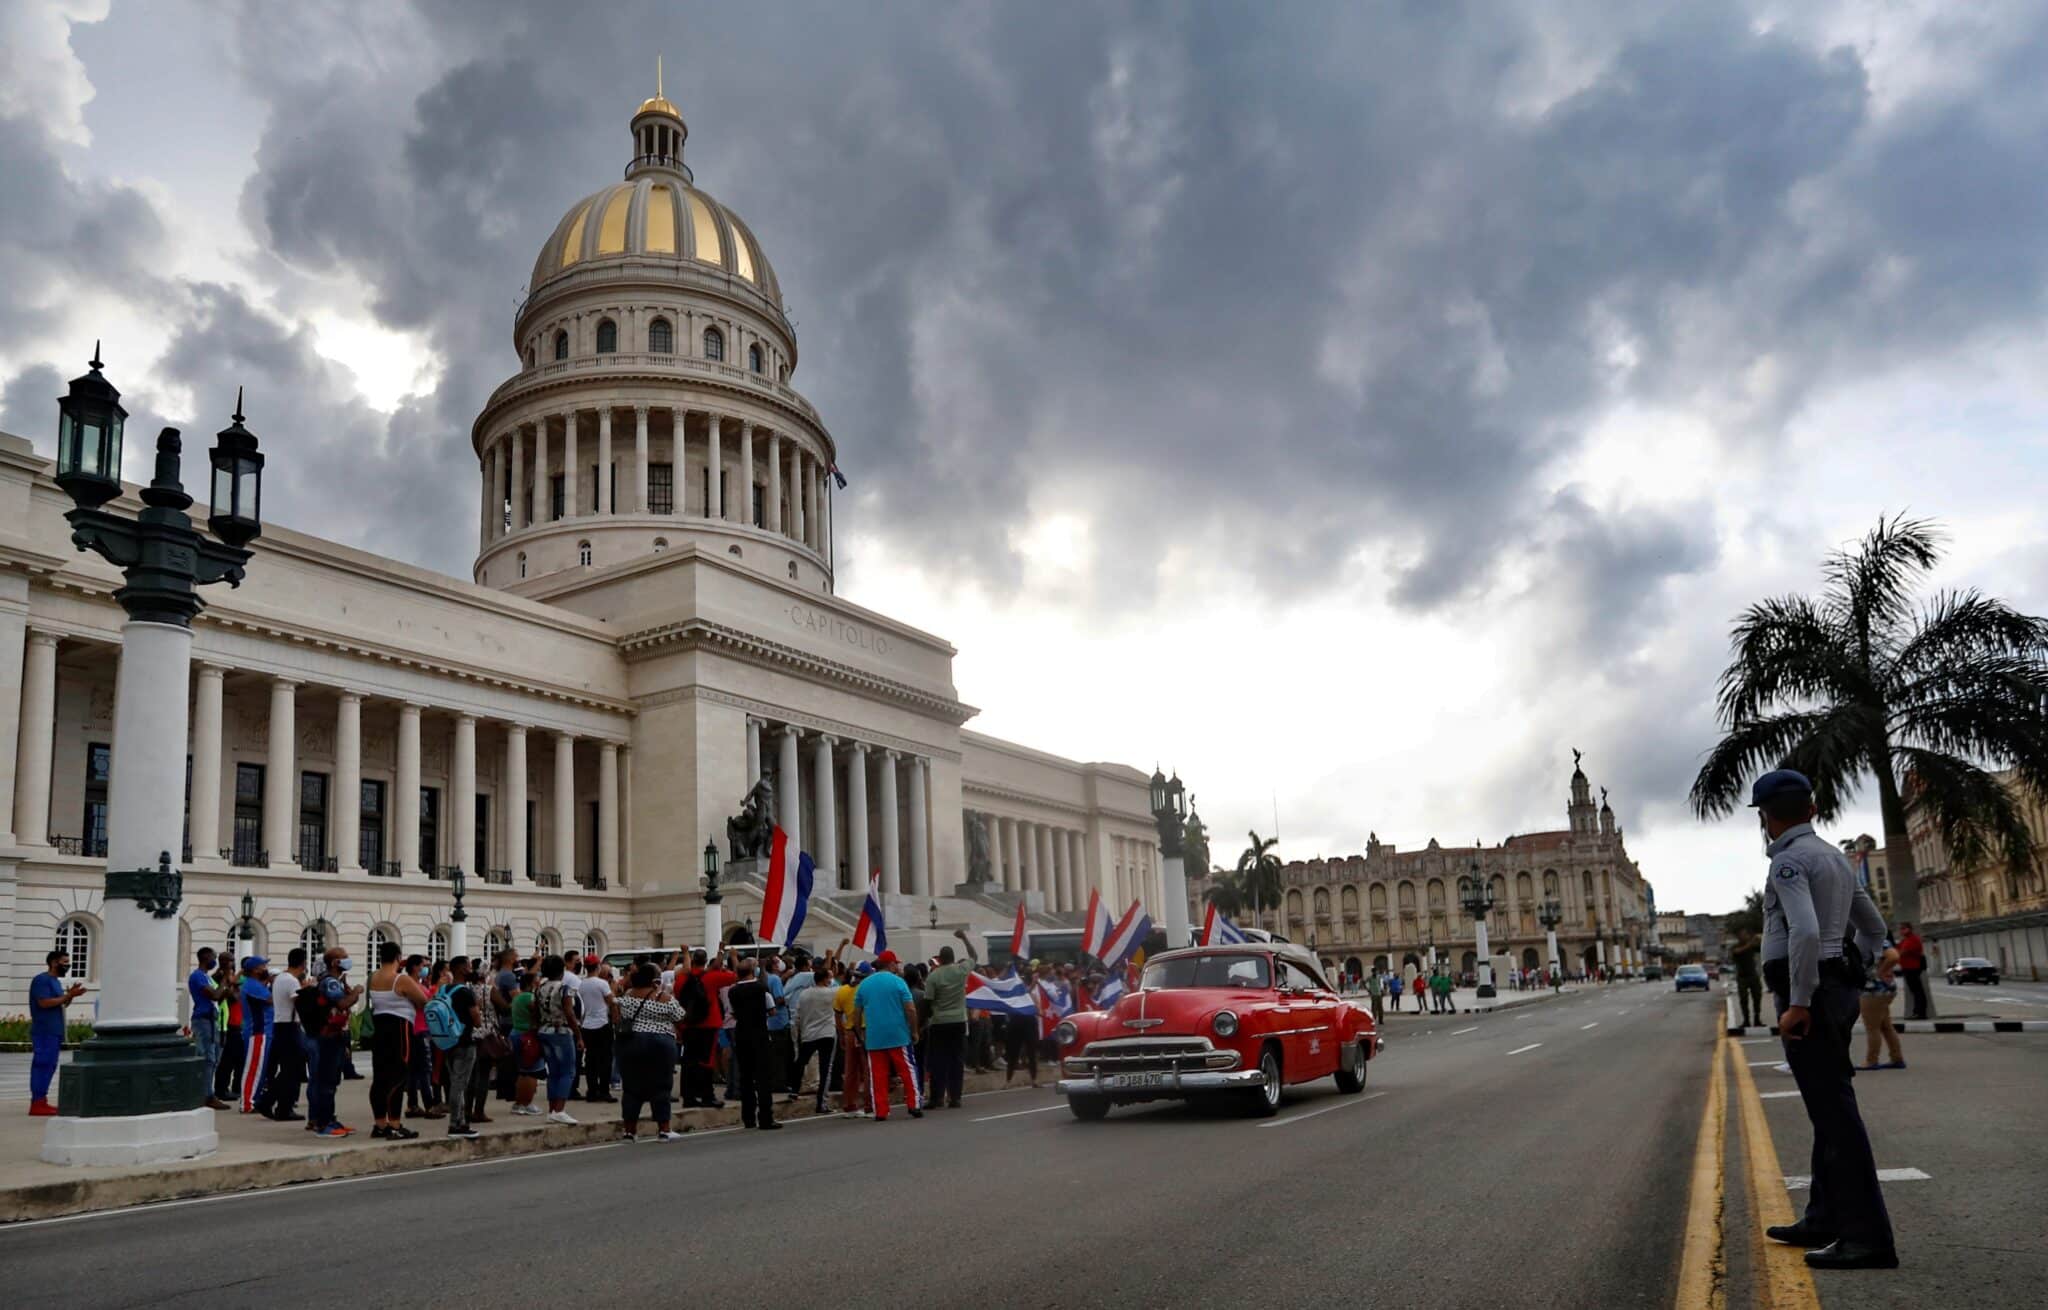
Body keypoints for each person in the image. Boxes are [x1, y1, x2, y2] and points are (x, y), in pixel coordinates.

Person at [1750, 768, 1896, 1270]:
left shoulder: (1789, 862)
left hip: (1809, 998)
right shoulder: (1833, 856)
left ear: (1766, 819)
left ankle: (1868, 1238)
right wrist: (1849, 970)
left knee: (1836, 1116)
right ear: (1811, 809)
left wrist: (1800, 999)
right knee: (1826, 1110)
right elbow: (1874, 929)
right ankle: (1823, 1217)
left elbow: (1805, 933)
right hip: (1837, 990)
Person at [612, 962, 684, 1141]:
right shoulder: (664, 998)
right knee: (661, 1086)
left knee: (631, 1087)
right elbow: (680, 1016)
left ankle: (629, 1131)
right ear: (654, 981)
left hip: (630, 1043)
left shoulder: (627, 997)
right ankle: (664, 1129)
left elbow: (617, 1011)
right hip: (660, 1044)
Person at [365, 944, 425, 1138]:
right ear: (398, 957)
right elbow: (423, 1000)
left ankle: (380, 1124)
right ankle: (395, 1125)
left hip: (379, 1027)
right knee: (399, 1075)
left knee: (380, 1076)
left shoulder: (372, 977)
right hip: (400, 1027)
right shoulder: (401, 979)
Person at [854, 951, 922, 1121]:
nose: (898, 967)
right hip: (898, 1034)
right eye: (896, 964)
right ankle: (914, 1105)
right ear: (891, 964)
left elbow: (856, 1013)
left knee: (878, 1075)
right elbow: (910, 1009)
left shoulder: (864, 984)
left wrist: (859, 1033)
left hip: (875, 1037)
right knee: (907, 1071)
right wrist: (914, 1031)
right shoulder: (899, 982)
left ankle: (881, 1110)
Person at [301, 947, 360, 1137]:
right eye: (344, 958)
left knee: (332, 1080)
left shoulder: (335, 981)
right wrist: (357, 992)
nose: (347, 961)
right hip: (328, 1036)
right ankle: (323, 1123)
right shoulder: (330, 982)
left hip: (334, 1035)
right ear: (335, 962)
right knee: (326, 1080)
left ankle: (330, 1119)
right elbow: (342, 1004)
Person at [28, 948, 87, 1116]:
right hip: (44, 1030)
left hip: (54, 1031)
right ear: (54, 962)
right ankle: (37, 1103)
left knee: (49, 1066)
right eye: (64, 963)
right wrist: (68, 995)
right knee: (42, 1065)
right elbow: (44, 1003)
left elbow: (61, 1004)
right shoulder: (42, 980)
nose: (67, 966)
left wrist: (70, 996)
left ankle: (41, 1101)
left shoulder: (55, 982)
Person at [726, 956, 781, 1130]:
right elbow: (771, 1011)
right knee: (763, 1077)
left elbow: (733, 1013)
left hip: (741, 1034)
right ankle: (766, 1117)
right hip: (759, 1035)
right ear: (752, 971)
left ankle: (748, 1117)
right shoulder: (761, 988)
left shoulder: (732, 991)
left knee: (746, 1077)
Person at [923, 937, 975, 1110]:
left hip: (939, 1022)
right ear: (952, 958)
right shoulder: (961, 970)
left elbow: (928, 1001)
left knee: (938, 1061)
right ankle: (955, 1098)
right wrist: (964, 938)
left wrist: (925, 1021)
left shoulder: (933, 976)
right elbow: (974, 955)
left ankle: (936, 1098)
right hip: (959, 1020)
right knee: (956, 1060)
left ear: (940, 958)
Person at [679, 948, 734, 1109]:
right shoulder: (711, 977)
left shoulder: (682, 978)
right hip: (708, 1023)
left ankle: (689, 1097)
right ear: (705, 961)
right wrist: (724, 964)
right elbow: (735, 977)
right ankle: (707, 1095)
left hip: (688, 1023)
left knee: (689, 1061)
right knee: (706, 1061)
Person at [534, 954, 582, 1124]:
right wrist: (578, 1035)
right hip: (561, 1031)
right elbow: (569, 1013)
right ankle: (560, 1109)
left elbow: (535, 1011)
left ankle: (552, 1109)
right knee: (567, 1071)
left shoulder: (540, 987)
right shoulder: (564, 988)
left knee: (553, 1072)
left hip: (544, 1029)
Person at [438, 957, 483, 1140]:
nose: (471, 969)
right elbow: (477, 1021)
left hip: (447, 1041)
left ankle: (462, 1122)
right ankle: (456, 1125)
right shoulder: (465, 992)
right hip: (464, 1042)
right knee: (459, 1084)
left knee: (454, 1081)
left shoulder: (444, 989)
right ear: (462, 969)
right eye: (469, 966)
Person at [792, 963, 839, 1111]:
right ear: (825, 979)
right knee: (826, 1068)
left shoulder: (804, 994)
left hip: (809, 1034)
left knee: (801, 1062)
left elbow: (797, 1016)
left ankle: (794, 1089)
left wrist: (796, 1036)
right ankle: (821, 1102)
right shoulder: (832, 993)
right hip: (827, 1034)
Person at [187, 947, 229, 1111]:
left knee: (212, 1059)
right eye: (213, 957)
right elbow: (215, 995)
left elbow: (218, 997)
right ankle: (206, 1095)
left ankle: (208, 1093)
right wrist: (224, 979)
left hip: (211, 1021)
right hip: (203, 1021)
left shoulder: (205, 976)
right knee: (207, 1059)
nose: (215, 960)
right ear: (205, 958)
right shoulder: (198, 976)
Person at [1860, 937, 1906, 1071]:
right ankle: (1897, 1058)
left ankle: (1871, 1060)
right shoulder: (1878, 939)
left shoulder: (1872, 939)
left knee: (1872, 1027)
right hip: (1884, 989)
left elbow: (1893, 956)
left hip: (1873, 991)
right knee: (1886, 1026)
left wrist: (1879, 973)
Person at [238, 957, 274, 1114]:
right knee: (254, 1067)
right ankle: (247, 1102)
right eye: (263, 966)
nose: (266, 968)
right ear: (255, 970)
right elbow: (271, 1000)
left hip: (262, 1031)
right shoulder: (252, 985)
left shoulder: (255, 985)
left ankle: (254, 1098)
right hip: (258, 1031)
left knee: (260, 1067)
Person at [577, 954, 616, 1102]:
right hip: (602, 1024)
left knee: (591, 1060)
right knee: (605, 1059)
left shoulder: (581, 984)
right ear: (598, 966)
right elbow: (610, 1001)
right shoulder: (602, 984)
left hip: (586, 1025)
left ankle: (592, 1090)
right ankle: (604, 1090)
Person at [835, 962, 870, 1114]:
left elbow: (837, 1015)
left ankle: (849, 1105)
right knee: (868, 1070)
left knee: (850, 1071)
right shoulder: (867, 990)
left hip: (849, 1032)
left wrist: (841, 1034)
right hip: (864, 1031)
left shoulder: (841, 990)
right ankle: (869, 1105)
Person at [1731, 929, 1764, 1029]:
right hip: (1742, 977)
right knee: (1744, 1000)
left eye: (1746, 934)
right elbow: (1737, 952)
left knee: (1757, 998)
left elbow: (1762, 948)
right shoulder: (1735, 947)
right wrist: (1750, 943)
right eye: (1743, 935)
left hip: (1753, 975)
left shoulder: (1752, 947)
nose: (1745, 936)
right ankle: (1746, 1021)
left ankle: (1757, 1019)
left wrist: (1759, 939)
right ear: (1739, 937)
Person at [1894, 923, 1928, 1021]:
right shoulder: (1905, 940)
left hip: (1913, 968)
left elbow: (1903, 952)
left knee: (1917, 991)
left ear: (1909, 929)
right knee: (1915, 991)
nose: (1901, 931)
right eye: (1901, 929)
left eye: (1904, 929)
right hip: (1907, 968)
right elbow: (1898, 948)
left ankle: (1920, 1013)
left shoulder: (1913, 939)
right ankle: (1917, 1012)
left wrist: (1897, 952)